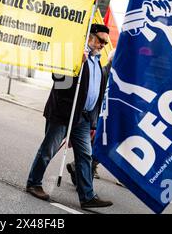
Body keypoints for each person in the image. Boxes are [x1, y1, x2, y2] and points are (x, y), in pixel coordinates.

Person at [26, 24, 113, 210]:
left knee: (85, 156)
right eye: (100, 40)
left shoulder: (97, 62)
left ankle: (87, 196)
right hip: (64, 114)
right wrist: (75, 64)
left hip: (83, 118)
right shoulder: (73, 54)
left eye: (106, 42)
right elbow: (59, 80)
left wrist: (92, 120)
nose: (103, 45)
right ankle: (33, 183)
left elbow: (96, 90)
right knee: (48, 150)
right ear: (90, 36)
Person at [66, 47, 115, 185]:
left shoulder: (108, 72)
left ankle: (80, 175)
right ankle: (82, 176)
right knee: (99, 150)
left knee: (95, 150)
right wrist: (95, 123)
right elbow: (97, 98)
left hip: (99, 119)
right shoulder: (106, 73)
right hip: (99, 119)